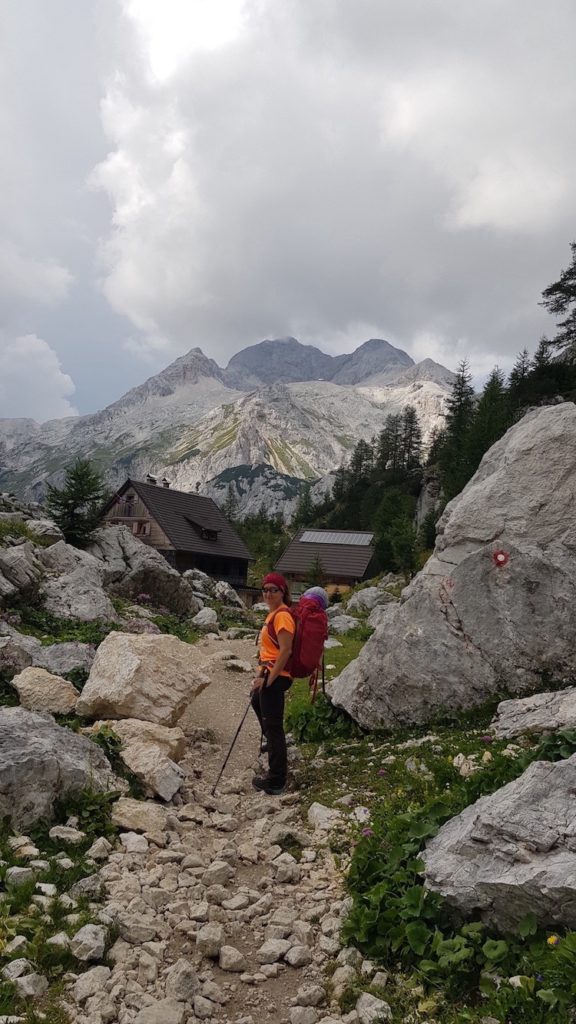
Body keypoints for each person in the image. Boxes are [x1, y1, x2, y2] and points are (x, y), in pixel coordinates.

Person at [251, 572, 295, 795]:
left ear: (283, 592)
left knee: (274, 725)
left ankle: (276, 780)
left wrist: (269, 679)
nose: (268, 593)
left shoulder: (283, 616)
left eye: (273, 590)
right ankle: (270, 740)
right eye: (265, 589)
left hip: (277, 675)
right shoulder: (274, 613)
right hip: (270, 671)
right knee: (256, 700)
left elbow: (286, 650)